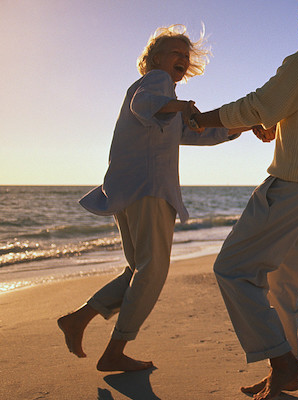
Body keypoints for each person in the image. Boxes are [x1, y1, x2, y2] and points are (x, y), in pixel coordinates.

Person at [187, 0, 298, 398]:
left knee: (233, 269)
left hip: (292, 186)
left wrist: (201, 120)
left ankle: (282, 361)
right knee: (284, 285)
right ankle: (285, 374)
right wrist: (272, 124)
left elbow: (257, 104)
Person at [57, 25, 245, 372]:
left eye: (186, 56)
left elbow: (197, 133)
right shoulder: (155, 84)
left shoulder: (164, 102)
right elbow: (144, 104)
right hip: (148, 191)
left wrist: (240, 125)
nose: (183, 59)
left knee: (139, 269)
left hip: (127, 192)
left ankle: (79, 319)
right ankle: (115, 350)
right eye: (176, 52)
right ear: (156, 58)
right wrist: (181, 105)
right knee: (153, 270)